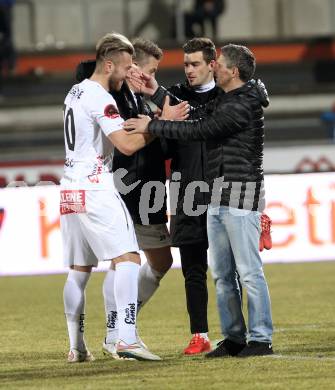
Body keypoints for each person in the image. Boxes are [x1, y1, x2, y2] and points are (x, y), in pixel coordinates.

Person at [124, 43, 274, 357]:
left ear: (232, 71)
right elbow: (193, 111)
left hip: (240, 194)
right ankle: (234, 337)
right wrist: (157, 92)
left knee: (248, 271)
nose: (212, 66)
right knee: (221, 274)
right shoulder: (227, 98)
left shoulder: (243, 103)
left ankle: (260, 338)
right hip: (217, 195)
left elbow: (200, 128)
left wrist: (152, 124)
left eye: (217, 63)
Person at [60, 32, 162, 362]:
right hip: (94, 185)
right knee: (129, 259)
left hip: (70, 186)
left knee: (79, 270)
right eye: (126, 67)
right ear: (108, 65)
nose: (129, 74)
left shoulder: (75, 92)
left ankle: (77, 347)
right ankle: (127, 338)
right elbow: (127, 145)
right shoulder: (100, 97)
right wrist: (158, 126)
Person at [164, 37, 219, 355]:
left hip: (223, 192)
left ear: (212, 64)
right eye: (186, 64)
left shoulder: (227, 96)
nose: (189, 70)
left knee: (230, 270)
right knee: (193, 269)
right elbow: (166, 147)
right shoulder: (174, 97)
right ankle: (199, 334)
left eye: (195, 63)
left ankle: (237, 333)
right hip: (186, 194)